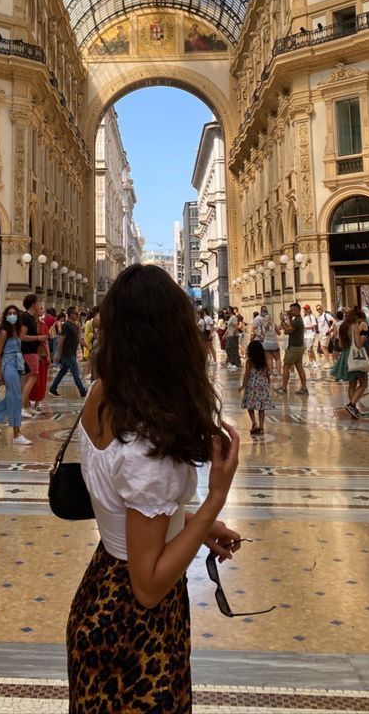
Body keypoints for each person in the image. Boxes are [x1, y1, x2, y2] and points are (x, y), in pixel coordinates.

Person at [67, 264, 241, 710]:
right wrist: (215, 498)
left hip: (97, 592)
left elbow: (126, 509)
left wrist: (200, 526)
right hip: (136, 630)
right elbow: (147, 583)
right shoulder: (148, 440)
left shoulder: (102, 394)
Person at [0, 304, 31, 444]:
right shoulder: (4, 332)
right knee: (15, 397)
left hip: (17, 365)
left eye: (15, 313)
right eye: (10, 313)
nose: (12, 315)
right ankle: (16, 434)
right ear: (6, 316)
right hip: (7, 365)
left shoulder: (17, 331)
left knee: (13, 397)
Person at [19, 294, 48, 415]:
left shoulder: (31, 318)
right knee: (31, 378)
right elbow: (22, 336)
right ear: (32, 304)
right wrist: (39, 337)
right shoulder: (25, 317)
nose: (39, 305)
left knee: (29, 378)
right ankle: (22, 407)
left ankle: (26, 405)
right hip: (27, 352)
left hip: (32, 351)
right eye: (37, 303)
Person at [48, 307, 87, 399]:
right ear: (70, 314)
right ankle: (82, 391)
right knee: (75, 372)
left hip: (72, 352)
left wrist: (88, 347)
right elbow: (61, 340)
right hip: (67, 353)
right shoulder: (66, 325)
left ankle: (53, 388)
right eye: (75, 314)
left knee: (62, 371)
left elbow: (78, 339)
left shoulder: (74, 325)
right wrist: (58, 354)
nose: (77, 315)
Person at [240, 338, 273, 436]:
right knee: (261, 408)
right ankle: (261, 426)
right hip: (262, 386)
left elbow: (247, 375)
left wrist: (243, 386)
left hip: (251, 387)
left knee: (250, 406)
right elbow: (268, 374)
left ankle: (254, 423)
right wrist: (268, 384)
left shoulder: (249, 362)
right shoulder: (264, 362)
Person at [344, 306, 369, 418]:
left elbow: (341, 343)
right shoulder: (356, 326)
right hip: (357, 358)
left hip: (347, 356)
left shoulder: (345, 327)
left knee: (352, 384)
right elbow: (359, 344)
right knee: (364, 383)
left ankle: (353, 411)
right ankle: (351, 405)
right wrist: (364, 334)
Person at [277, 302, 308, 395]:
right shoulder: (297, 320)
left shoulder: (297, 321)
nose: (290, 311)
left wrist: (282, 322)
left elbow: (287, 330)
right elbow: (289, 330)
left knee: (286, 365)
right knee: (299, 367)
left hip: (294, 347)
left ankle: (284, 388)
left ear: (298, 310)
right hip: (299, 346)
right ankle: (304, 387)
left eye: (292, 310)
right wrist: (288, 319)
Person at [315, 303, 335, 369]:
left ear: (322, 308)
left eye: (319, 309)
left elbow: (334, 321)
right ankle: (328, 362)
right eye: (317, 309)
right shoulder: (318, 317)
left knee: (323, 347)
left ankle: (328, 363)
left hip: (326, 333)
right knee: (324, 348)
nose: (318, 310)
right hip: (321, 334)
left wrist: (330, 329)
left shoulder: (326, 315)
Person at [302, 304, 318, 371]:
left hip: (311, 335)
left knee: (309, 349)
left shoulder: (312, 317)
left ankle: (312, 362)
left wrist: (305, 327)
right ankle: (314, 361)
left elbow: (314, 326)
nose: (304, 311)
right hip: (305, 335)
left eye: (305, 309)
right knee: (310, 349)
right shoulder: (305, 317)